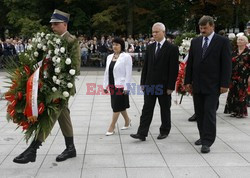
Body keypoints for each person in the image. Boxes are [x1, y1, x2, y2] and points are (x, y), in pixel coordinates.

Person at [13, 9, 81, 164]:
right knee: (63, 115)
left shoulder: (72, 41)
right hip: (49, 85)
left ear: (64, 24)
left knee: (50, 115)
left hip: (62, 88)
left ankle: (33, 149)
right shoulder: (51, 40)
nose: (52, 27)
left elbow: (75, 68)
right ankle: (70, 148)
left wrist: (59, 73)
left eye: (56, 24)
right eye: (51, 24)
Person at [185, 16, 232, 153]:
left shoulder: (222, 42)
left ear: (212, 26)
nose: (202, 30)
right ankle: (202, 136)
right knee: (199, 113)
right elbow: (191, 64)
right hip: (197, 84)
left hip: (213, 85)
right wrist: (187, 81)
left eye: (205, 28)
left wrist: (225, 84)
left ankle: (207, 141)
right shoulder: (195, 41)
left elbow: (226, 64)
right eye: (201, 28)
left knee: (209, 112)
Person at [130, 22, 179, 141]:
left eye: (156, 32)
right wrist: (143, 82)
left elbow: (173, 69)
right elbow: (146, 66)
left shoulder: (172, 48)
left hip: (164, 85)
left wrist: (171, 86)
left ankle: (164, 130)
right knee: (147, 108)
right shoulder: (151, 47)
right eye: (153, 32)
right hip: (150, 84)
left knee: (165, 108)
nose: (154, 34)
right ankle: (142, 133)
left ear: (163, 32)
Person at [103, 37, 132, 136]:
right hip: (112, 84)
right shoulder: (109, 57)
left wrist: (126, 87)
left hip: (121, 85)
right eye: (113, 44)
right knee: (120, 105)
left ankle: (112, 126)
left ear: (121, 46)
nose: (114, 46)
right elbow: (107, 72)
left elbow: (128, 74)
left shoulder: (126, 57)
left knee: (116, 106)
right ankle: (127, 121)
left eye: (117, 45)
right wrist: (105, 85)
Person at [224, 35, 250, 118]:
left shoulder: (248, 52)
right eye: (238, 40)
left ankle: (241, 112)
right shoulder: (233, 52)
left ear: (246, 42)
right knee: (232, 92)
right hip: (233, 75)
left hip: (244, 76)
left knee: (241, 93)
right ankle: (233, 110)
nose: (239, 41)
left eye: (242, 40)